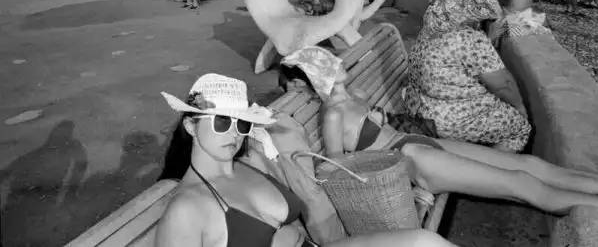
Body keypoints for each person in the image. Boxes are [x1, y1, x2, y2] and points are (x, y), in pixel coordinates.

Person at [280, 46, 598, 215]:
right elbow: (338, 168)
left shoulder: (356, 96)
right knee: (521, 183)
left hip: (418, 142)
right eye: (327, 65)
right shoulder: (333, 115)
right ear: (313, 80)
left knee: (527, 164)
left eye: (333, 60)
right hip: (413, 162)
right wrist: (400, 190)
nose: (337, 64)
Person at [155, 73, 458, 247]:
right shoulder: (187, 209)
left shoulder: (249, 162)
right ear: (191, 126)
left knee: (424, 242)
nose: (235, 134)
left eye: (242, 123)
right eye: (222, 122)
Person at [403, 0, 531, 152]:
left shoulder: (429, 30)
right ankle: (489, 165)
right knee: (519, 128)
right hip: (446, 121)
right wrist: (520, 108)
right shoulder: (470, 40)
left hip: (418, 108)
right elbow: (504, 85)